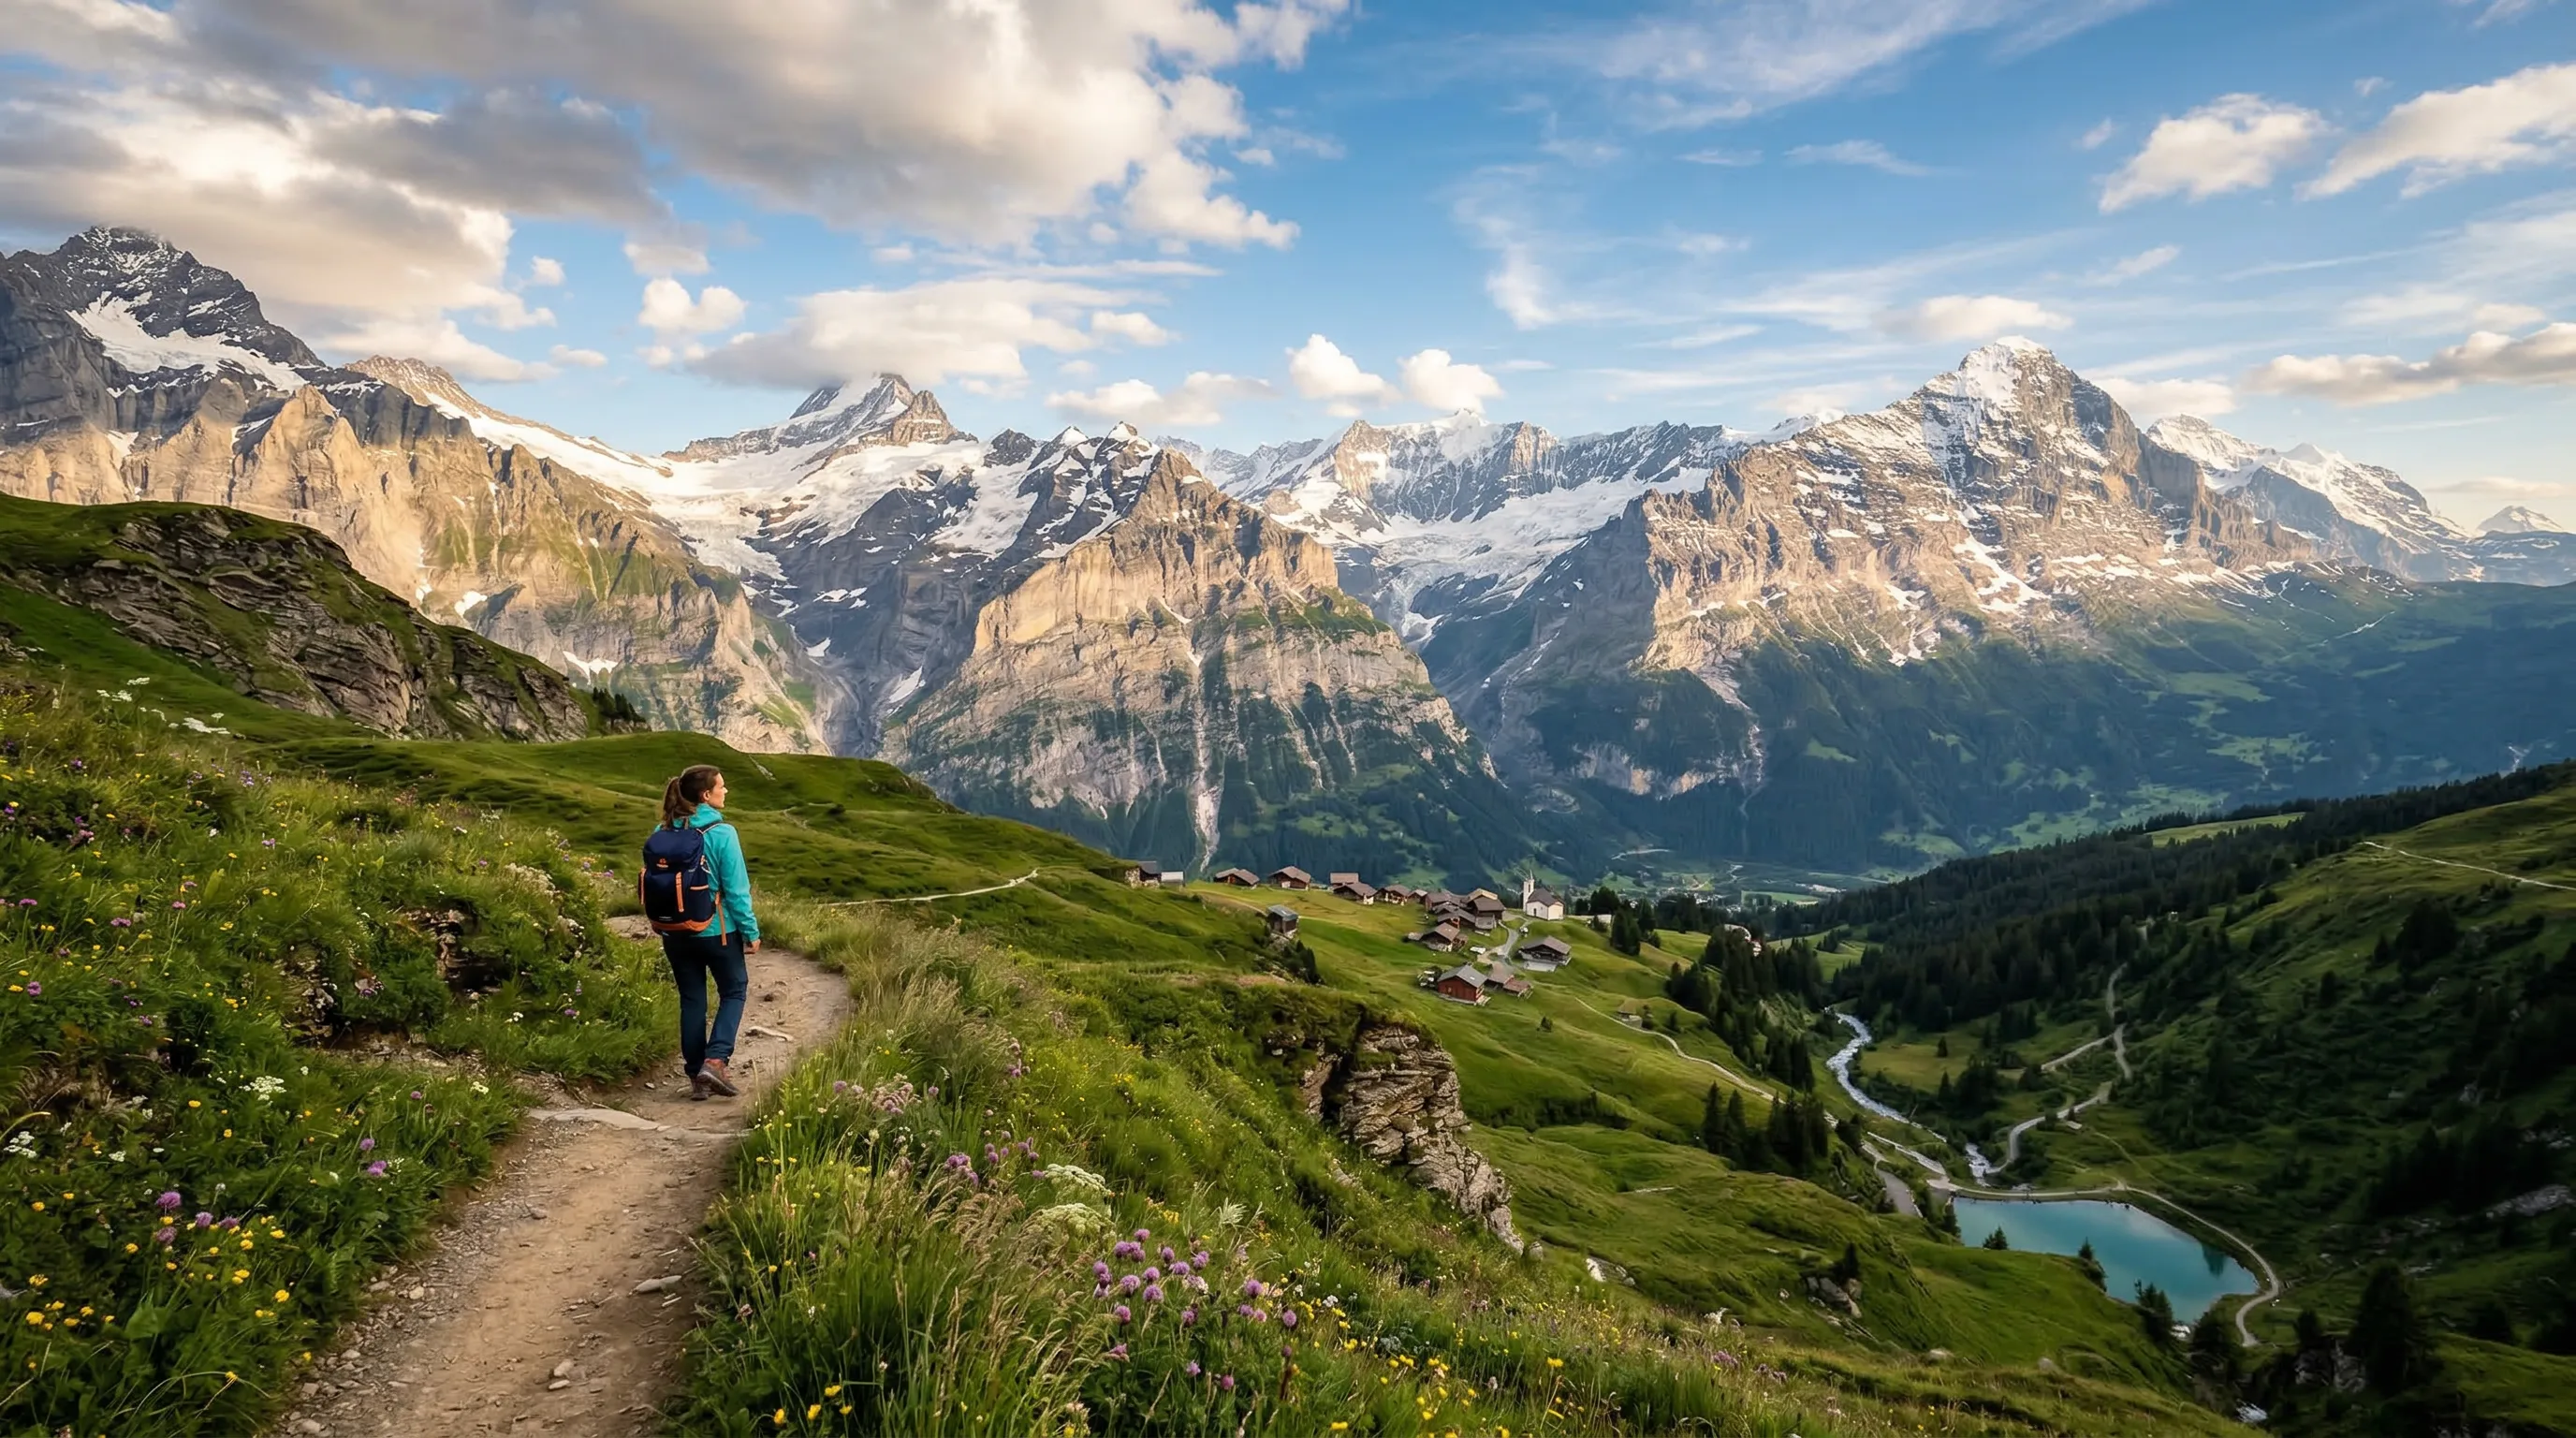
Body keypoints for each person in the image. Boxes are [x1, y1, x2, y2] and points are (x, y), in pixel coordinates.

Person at [654, 764, 759, 1099]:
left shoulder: (662, 829)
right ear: (705, 795)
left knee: (692, 1000)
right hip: (717, 931)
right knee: (734, 991)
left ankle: (695, 1076)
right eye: (721, 786)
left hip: (674, 932)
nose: (725, 791)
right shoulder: (722, 833)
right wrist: (751, 931)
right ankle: (715, 1061)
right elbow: (737, 891)